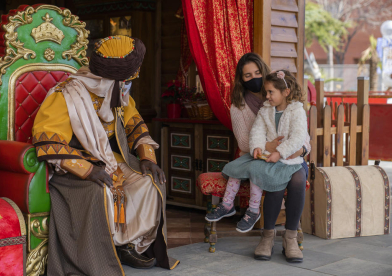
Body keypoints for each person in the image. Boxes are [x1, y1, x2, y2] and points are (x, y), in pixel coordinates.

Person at [32, 35, 178, 275]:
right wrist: (88, 171)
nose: (130, 84)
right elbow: (48, 144)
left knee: (149, 184)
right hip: (73, 168)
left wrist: (147, 158)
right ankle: (102, 250)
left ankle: (129, 246)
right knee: (100, 191)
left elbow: (135, 125)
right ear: (113, 77)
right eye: (129, 79)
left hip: (112, 160)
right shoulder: (66, 94)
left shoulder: (117, 91)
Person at [205, 53, 309, 263]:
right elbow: (249, 140)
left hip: (292, 157)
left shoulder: (290, 105)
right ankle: (267, 237)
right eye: (247, 75)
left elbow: (302, 138)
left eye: (257, 73)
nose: (254, 78)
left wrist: (292, 150)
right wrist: (265, 147)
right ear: (241, 79)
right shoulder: (251, 106)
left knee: (297, 180)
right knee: (274, 182)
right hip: (264, 157)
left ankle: (290, 238)